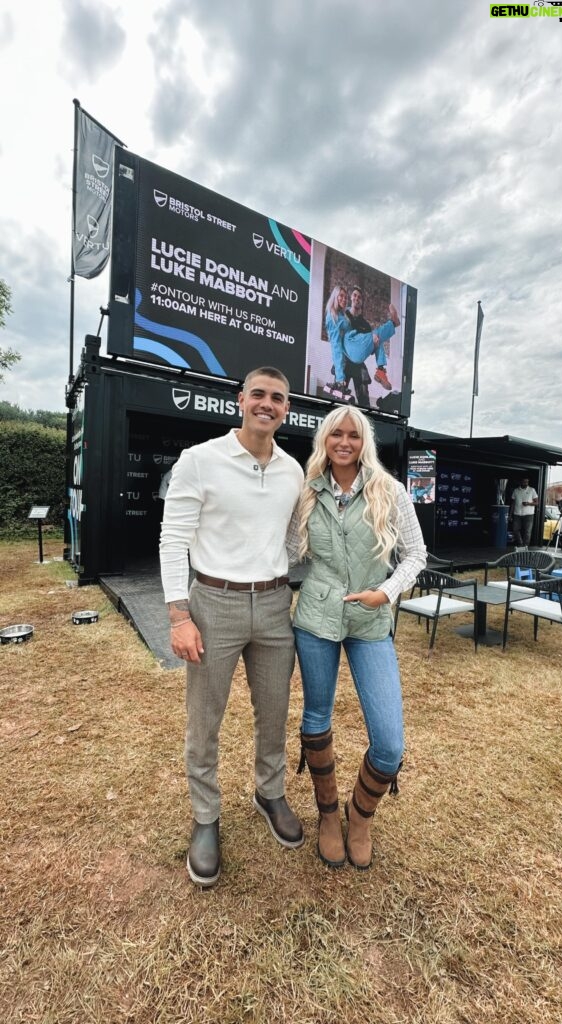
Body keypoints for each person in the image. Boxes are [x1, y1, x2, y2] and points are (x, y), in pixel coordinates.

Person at [159, 367, 305, 888]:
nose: (268, 404)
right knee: (205, 721)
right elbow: (173, 539)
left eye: (278, 398)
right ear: (240, 400)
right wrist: (179, 615)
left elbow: (293, 538)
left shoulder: (293, 471)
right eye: (259, 395)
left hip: (272, 606)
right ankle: (206, 818)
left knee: (275, 713)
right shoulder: (199, 461)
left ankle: (269, 792)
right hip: (212, 604)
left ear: (286, 408)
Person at [293, 406, 427, 870]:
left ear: (364, 440)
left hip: (370, 621)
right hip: (316, 618)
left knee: (389, 743)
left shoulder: (390, 492)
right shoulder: (307, 492)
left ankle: (360, 814)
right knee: (315, 720)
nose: (344, 442)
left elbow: (416, 556)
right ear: (325, 441)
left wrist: (385, 593)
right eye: (336, 435)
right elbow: (289, 550)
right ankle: (329, 815)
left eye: (353, 434)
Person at [324, 285, 399, 394]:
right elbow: (336, 346)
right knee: (375, 333)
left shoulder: (346, 316)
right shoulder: (333, 316)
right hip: (348, 354)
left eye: (345, 297)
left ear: (362, 302)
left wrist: (374, 343)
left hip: (357, 352)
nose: (344, 299)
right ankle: (393, 323)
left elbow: (370, 347)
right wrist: (340, 378)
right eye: (341, 296)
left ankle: (381, 371)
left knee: (377, 337)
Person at [510, 475, 539, 547]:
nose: (526, 483)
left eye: (527, 482)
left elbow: (537, 503)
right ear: (520, 482)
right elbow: (513, 503)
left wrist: (528, 503)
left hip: (529, 514)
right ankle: (520, 544)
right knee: (515, 529)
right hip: (517, 514)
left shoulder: (532, 490)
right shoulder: (516, 490)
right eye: (524, 482)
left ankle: (525, 546)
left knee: (527, 531)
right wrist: (510, 515)